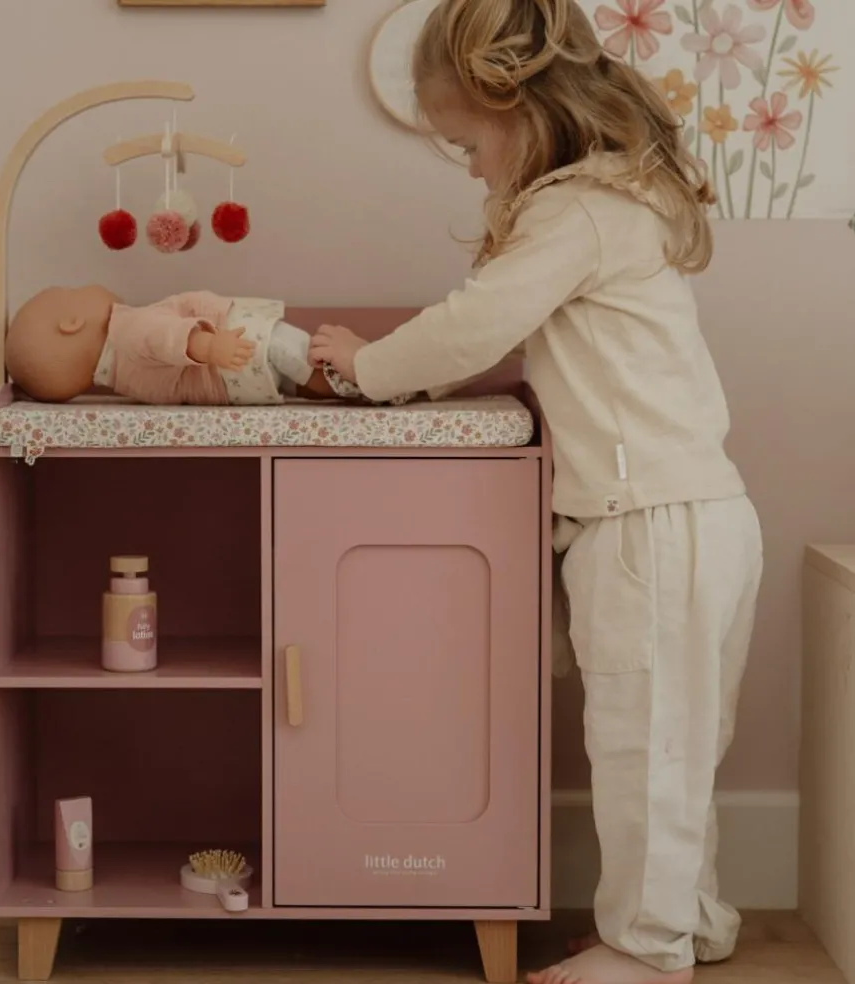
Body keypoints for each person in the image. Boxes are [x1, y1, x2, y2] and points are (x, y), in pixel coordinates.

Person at [308, 1, 763, 982]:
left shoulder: (575, 210)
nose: (469, 167)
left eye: (466, 143)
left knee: (646, 744)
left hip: (648, 525)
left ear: (516, 107)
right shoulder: (614, 203)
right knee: (680, 742)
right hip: (695, 515)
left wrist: (365, 365)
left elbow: (476, 325)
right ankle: (689, 919)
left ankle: (648, 950)